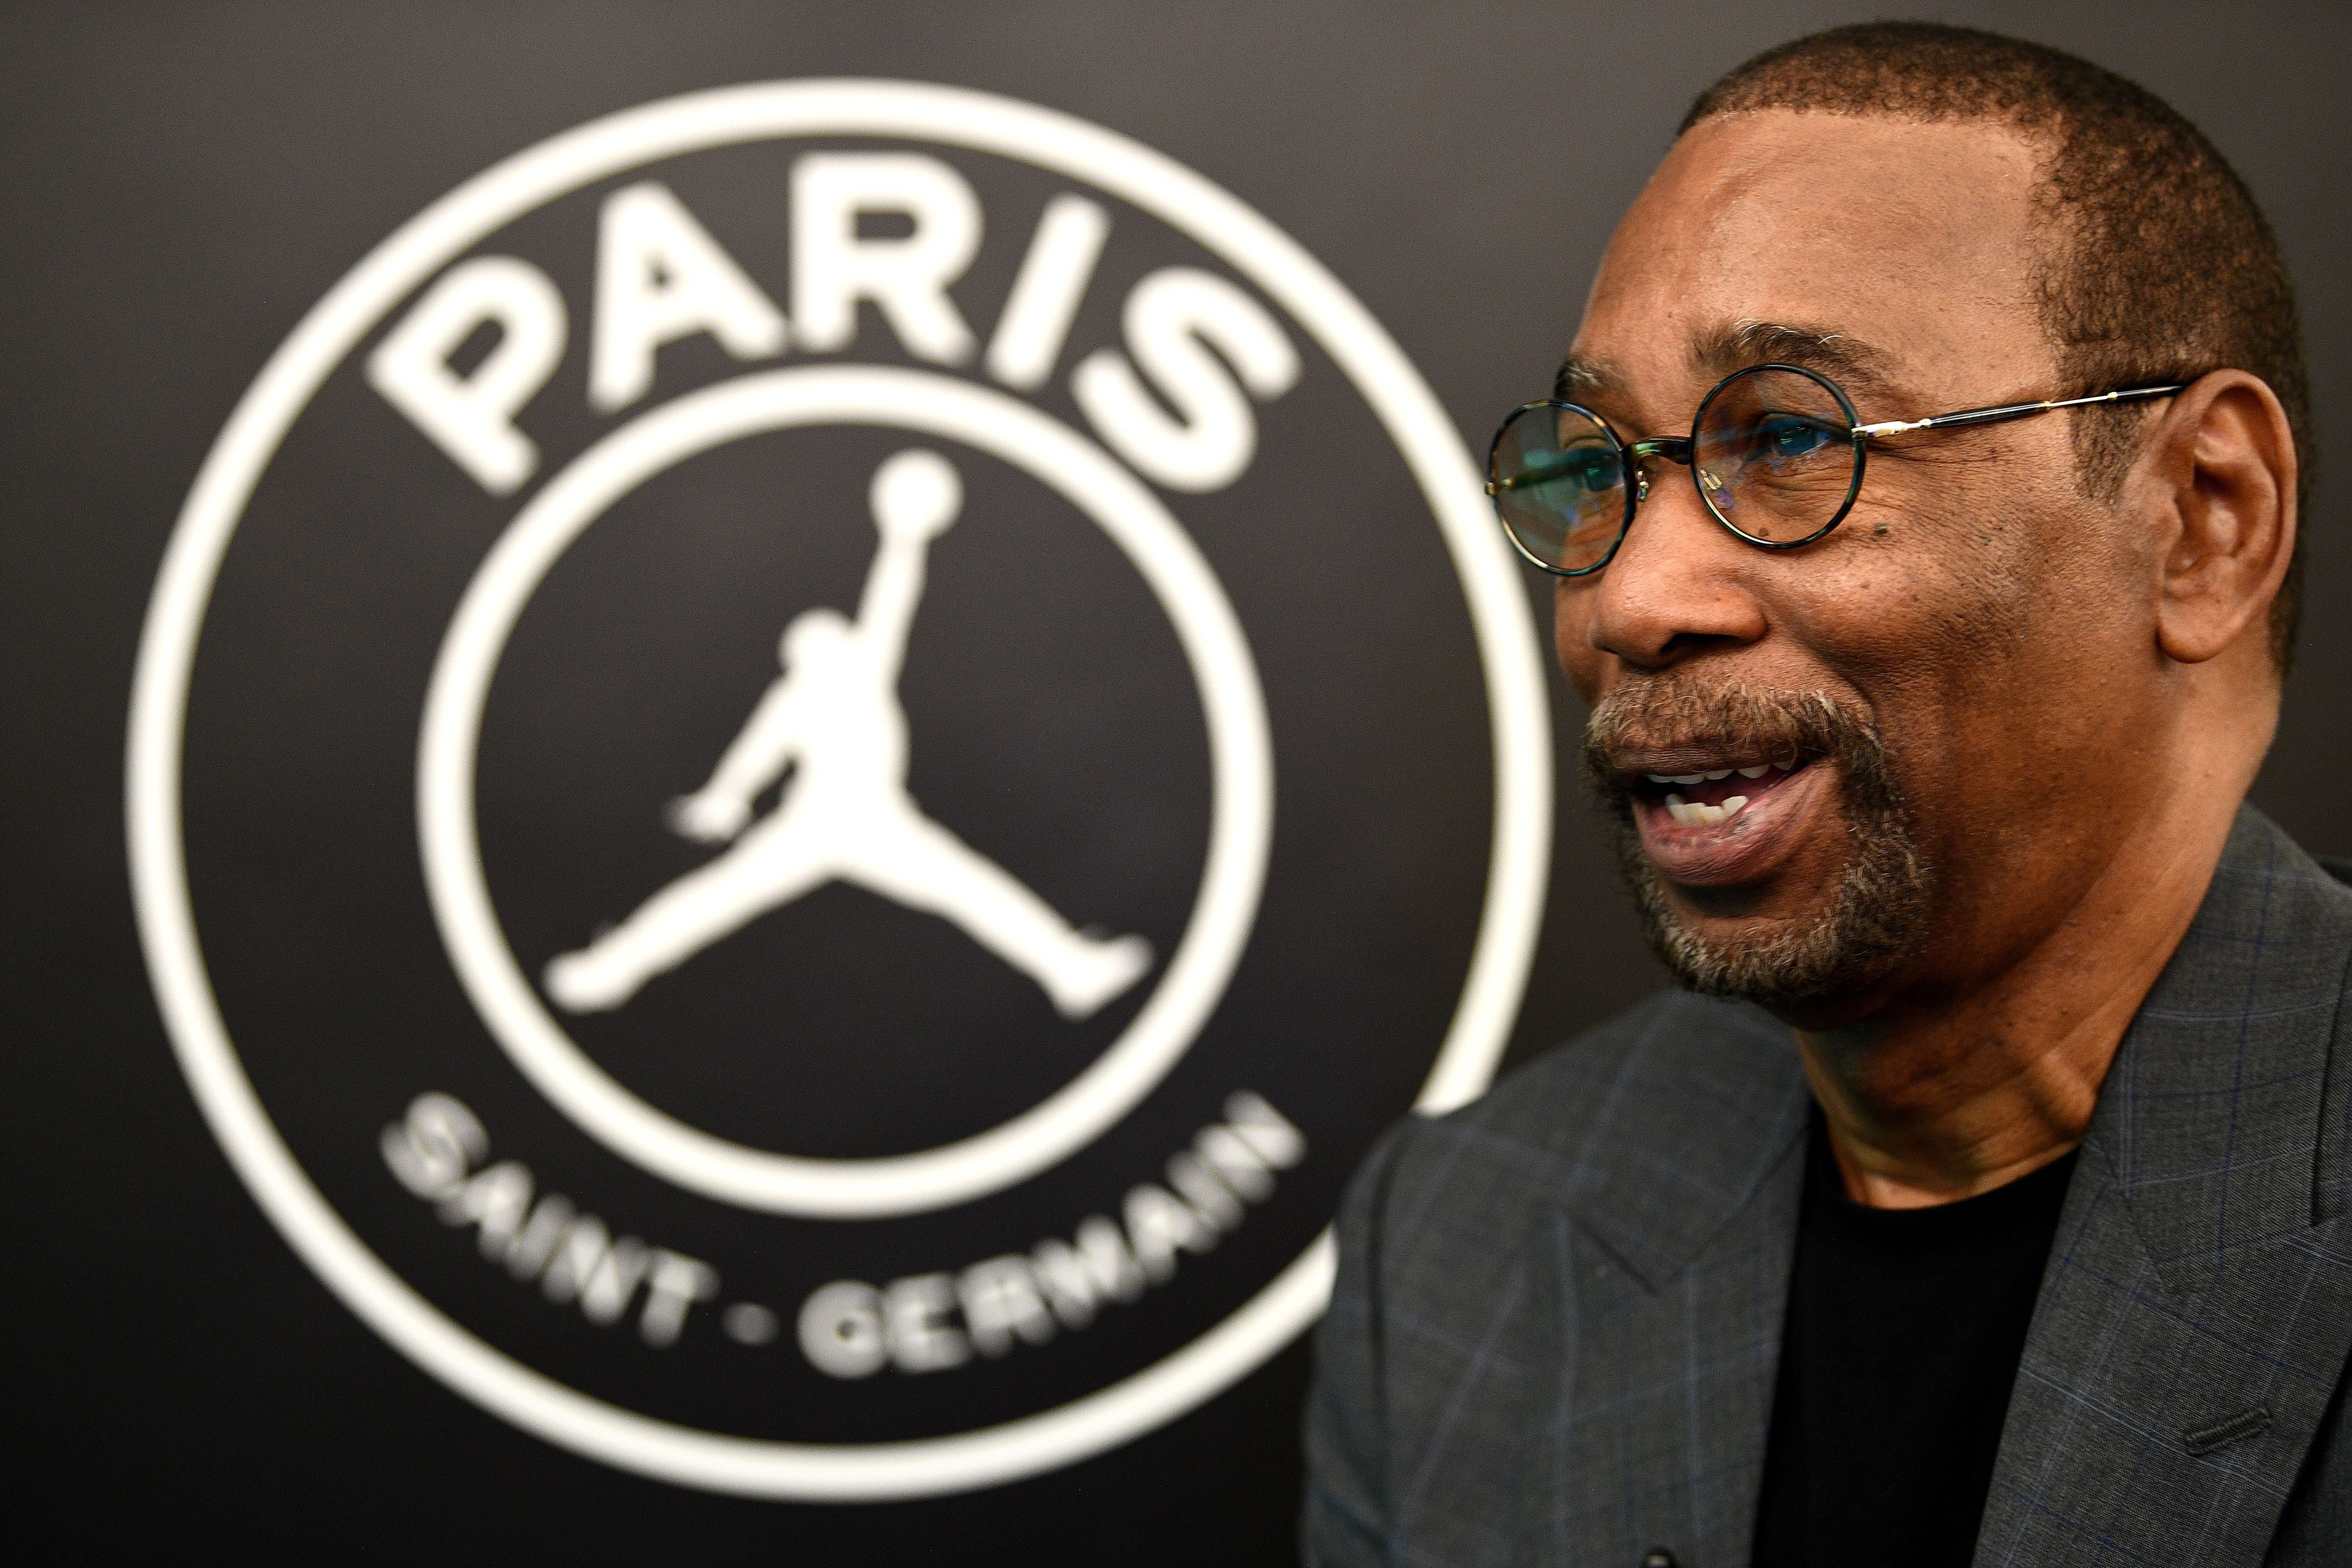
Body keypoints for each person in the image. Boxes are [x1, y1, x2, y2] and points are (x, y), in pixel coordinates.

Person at [1303, 23, 2346, 1568]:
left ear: (2202, 521)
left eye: (1793, 438)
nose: (1632, 600)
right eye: (1592, 470)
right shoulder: (1462, 1248)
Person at [544, 447, 1152, 1019]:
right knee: (716, 899)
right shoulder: (802, 695)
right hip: (815, 820)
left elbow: (890, 599)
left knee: (968, 888)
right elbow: (754, 755)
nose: (829, 642)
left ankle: (1070, 967)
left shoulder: (864, 670)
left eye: (835, 635)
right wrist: (724, 797)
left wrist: (902, 537)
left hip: (876, 819)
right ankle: (610, 968)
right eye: (814, 641)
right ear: (798, 657)